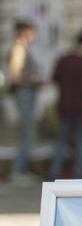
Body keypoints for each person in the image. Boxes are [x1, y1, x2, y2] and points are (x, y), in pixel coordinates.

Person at [49, 27, 82, 179]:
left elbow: (55, 78)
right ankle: (78, 174)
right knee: (81, 142)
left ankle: (55, 172)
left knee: (62, 140)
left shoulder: (64, 60)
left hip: (65, 106)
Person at [8, 21, 45, 181]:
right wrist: (34, 79)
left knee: (28, 131)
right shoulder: (19, 48)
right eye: (31, 32)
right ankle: (18, 170)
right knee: (27, 132)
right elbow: (15, 76)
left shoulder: (21, 48)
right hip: (24, 94)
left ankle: (22, 169)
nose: (33, 36)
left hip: (27, 93)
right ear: (24, 32)